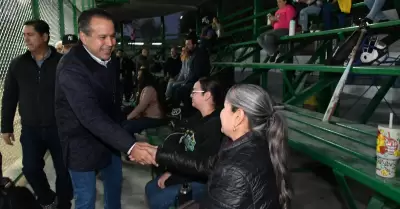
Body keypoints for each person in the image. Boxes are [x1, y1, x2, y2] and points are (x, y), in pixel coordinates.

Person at [54, 8, 156, 209]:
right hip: (81, 144)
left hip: (109, 140)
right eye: (103, 37)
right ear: (83, 37)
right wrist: (131, 146)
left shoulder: (109, 58)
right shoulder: (70, 69)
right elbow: (89, 115)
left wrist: (123, 135)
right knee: (86, 199)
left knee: (114, 189)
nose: (110, 43)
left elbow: (112, 100)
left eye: (112, 36)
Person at [143, 84, 292, 209]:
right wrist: (158, 154)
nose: (220, 113)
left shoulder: (236, 170)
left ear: (238, 116)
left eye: (225, 108)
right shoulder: (249, 144)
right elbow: (204, 164)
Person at [1, 19, 73, 209]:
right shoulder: (17, 64)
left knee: (64, 171)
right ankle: (48, 198)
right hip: (31, 129)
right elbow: (9, 97)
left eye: (30, 34)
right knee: (31, 168)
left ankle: (64, 204)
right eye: (25, 35)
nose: (26, 39)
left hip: (59, 127)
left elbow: (74, 94)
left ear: (44, 37)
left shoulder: (62, 63)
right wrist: (6, 127)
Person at [145, 77, 225, 209]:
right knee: (150, 187)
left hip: (201, 181)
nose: (190, 94)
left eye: (194, 92)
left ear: (207, 95)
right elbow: (181, 145)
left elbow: (200, 167)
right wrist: (171, 171)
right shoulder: (197, 117)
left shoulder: (215, 126)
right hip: (184, 170)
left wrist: (173, 177)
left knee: (157, 200)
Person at [170, 36, 211, 116]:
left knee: (180, 90)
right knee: (177, 88)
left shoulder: (199, 54)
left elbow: (197, 73)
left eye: (188, 44)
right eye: (186, 44)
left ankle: (186, 112)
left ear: (194, 45)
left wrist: (185, 82)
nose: (186, 47)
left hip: (200, 81)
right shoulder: (194, 54)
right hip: (193, 80)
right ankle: (178, 109)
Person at [123, 68, 166, 135]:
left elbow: (141, 106)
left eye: (139, 76)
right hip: (147, 116)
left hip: (154, 119)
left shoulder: (149, 89)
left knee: (127, 126)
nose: (137, 77)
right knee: (126, 116)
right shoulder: (145, 88)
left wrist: (128, 117)